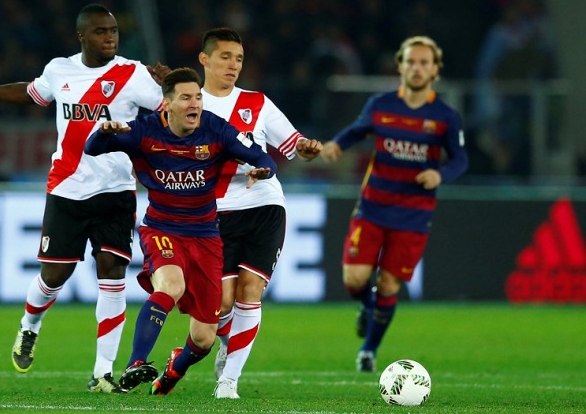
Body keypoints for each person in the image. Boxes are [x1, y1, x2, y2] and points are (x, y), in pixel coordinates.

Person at [0, 3, 170, 393]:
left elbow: (175, 112)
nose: (110, 37)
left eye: (113, 31)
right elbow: (28, 95)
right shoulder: (59, 69)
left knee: (113, 274)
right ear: (82, 36)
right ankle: (29, 326)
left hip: (116, 190)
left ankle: (102, 373)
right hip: (67, 188)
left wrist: (171, 85)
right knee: (54, 277)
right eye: (101, 32)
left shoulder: (133, 74)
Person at [84, 67, 278, 396]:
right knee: (171, 284)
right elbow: (93, 148)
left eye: (199, 97)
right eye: (187, 97)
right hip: (162, 228)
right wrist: (104, 131)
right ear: (167, 103)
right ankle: (136, 363)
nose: (196, 104)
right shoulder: (144, 131)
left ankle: (176, 367)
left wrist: (263, 169)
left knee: (204, 337)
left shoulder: (216, 130)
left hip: (206, 237)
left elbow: (261, 156)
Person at [321, 36, 468, 372]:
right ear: (400, 66)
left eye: (424, 63)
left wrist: (440, 175)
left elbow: (460, 159)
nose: (417, 68)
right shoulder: (381, 104)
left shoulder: (445, 116)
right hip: (373, 205)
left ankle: (368, 350)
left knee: (389, 283)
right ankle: (368, 307)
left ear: (435, 70)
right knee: (354, 279)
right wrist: (337, 145)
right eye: (411, 62)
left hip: (414, 213)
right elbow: (357, 131)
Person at [196, 27, 323, 399]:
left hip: (263, 204)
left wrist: (306, 147)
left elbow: (292, 142)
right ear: (204, 59)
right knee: (220, 304)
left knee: (251, 291)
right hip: (214, 212)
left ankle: (228, 381)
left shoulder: (257, 102)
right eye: (225, 57)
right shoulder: (189, 103)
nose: (233, 65)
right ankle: (227, 343)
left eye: (238, 58)